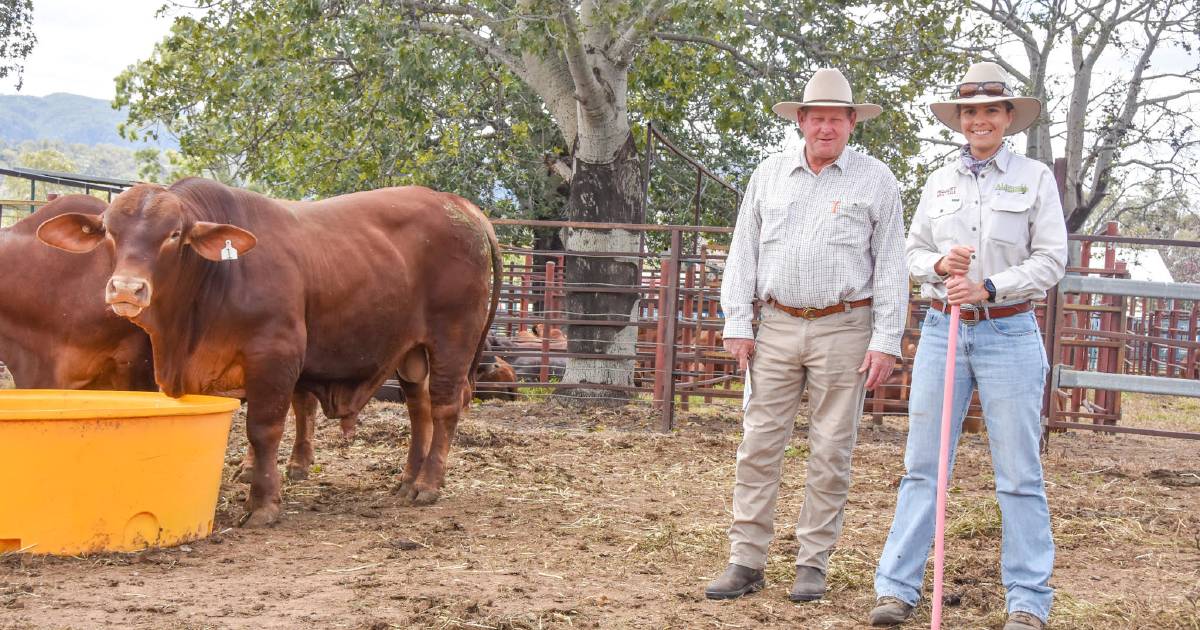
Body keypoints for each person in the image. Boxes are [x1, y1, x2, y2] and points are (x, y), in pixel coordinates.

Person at [868, 62, 1067, 630]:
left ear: (1009, 118)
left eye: (992, 110)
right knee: (924, 466)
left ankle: (1028, 600)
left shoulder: (1035, 179)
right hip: (943, 329)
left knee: (1019, 471)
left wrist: (991, 285)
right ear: (960, 120)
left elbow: (1052, 259)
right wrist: (937, 263)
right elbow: (910, 254)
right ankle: (896, 589)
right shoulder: (938, 182)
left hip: (1009, 328)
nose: (981, 119)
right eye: (970, 111)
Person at [707, 68, 908, 602]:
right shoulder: (769, 174)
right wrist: (737, 323)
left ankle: (812, 563)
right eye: (816, 117)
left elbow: (891, 264)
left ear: (852, 124)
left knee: (832, 448)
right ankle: (746, 560)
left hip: (845, 325)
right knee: (758, 444)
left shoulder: (877, 181)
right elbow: (743, 251)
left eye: (836, 119)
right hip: (775, 324)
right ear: (800, 121)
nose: (826, 128)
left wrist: (887, 338)